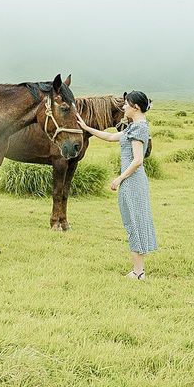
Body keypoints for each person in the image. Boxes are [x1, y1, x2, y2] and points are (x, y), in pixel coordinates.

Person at [77, 90, 157, 280]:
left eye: (126, 104)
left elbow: (138, 160)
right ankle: (138, 270)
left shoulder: (138, 129)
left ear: (136, 107)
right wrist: (86, 128)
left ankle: (138, 272)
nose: (123, 107)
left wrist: (119, 178)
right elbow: (111, 137)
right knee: (133, 222)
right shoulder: (134, 126)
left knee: (134, 223)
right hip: (132, 181)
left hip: (133, 182)